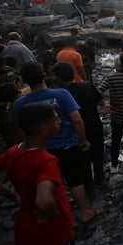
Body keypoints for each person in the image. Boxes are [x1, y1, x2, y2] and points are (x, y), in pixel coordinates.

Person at [0, 102, 75, 245]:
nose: (59, 122)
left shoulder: (13, 152)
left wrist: (12, 195)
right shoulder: (46, 161)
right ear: (42, 129)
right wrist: (52, 214)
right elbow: (44, 201)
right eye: (55, 120)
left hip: (26, 231)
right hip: (54, 236)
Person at [13, 63, 100, 224]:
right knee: (75, 180)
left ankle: (55, 212)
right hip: (67, 144)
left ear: (24, 80)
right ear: (44, 75)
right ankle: (84, 211)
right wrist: (83, 139)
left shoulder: (19, 104)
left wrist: (25, 149)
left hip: (39, 150)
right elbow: (76, 119)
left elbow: (20, 131)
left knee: (49, 182)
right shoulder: (61, 94)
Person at [53, 61, 105, 188]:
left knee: (82, 160)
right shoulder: (87, 86)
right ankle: (100, 179)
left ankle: (88, 186)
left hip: (74, 133)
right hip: (94, 126)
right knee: (98, 155)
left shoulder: (59, 94)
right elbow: (101, 101)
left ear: (59, 77)